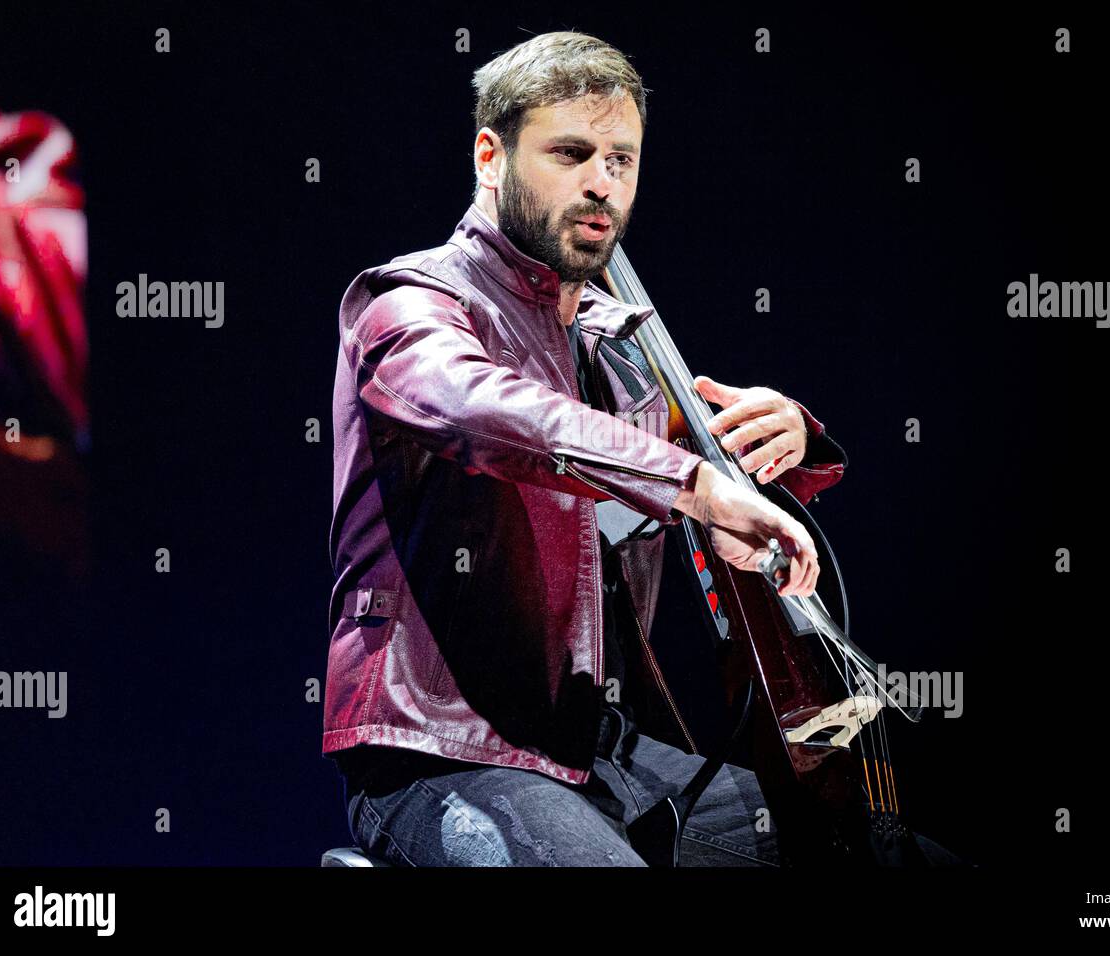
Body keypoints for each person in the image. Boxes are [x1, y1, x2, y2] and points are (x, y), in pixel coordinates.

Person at [324, 31, 852, 866]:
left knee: (867, 850)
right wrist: (696, 485)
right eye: (571, 153)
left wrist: (780, 432)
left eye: (622, 159)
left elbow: (693, 454)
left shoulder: (619, 344)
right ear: (489, 155)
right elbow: (486, 409)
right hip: (443, 756)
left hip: (606, 754)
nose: (602, 182)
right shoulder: (408, 304)